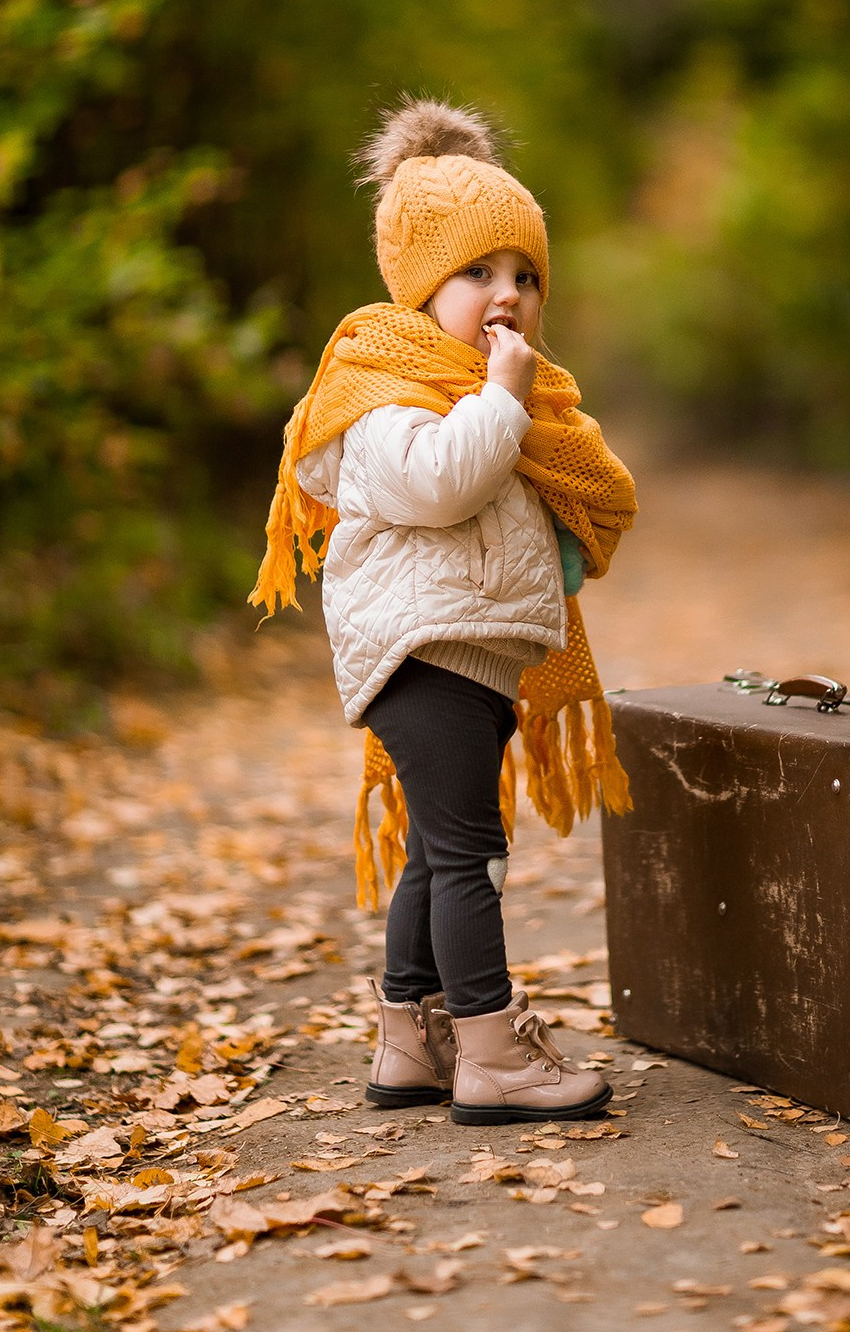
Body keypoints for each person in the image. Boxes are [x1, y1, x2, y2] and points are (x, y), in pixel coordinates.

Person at [249, 99, 637, 1125]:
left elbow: (544, 504)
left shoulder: (485, 390)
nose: (506, 297)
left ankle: (408, 1043)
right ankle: (493, 1051)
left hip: (466, 657)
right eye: (478, 275)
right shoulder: (384, 390)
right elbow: (440, 488)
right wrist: (502, 402)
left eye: (524, 276)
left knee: (434, 854)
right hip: (423, 660)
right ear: (421, 286)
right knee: (471, 858)